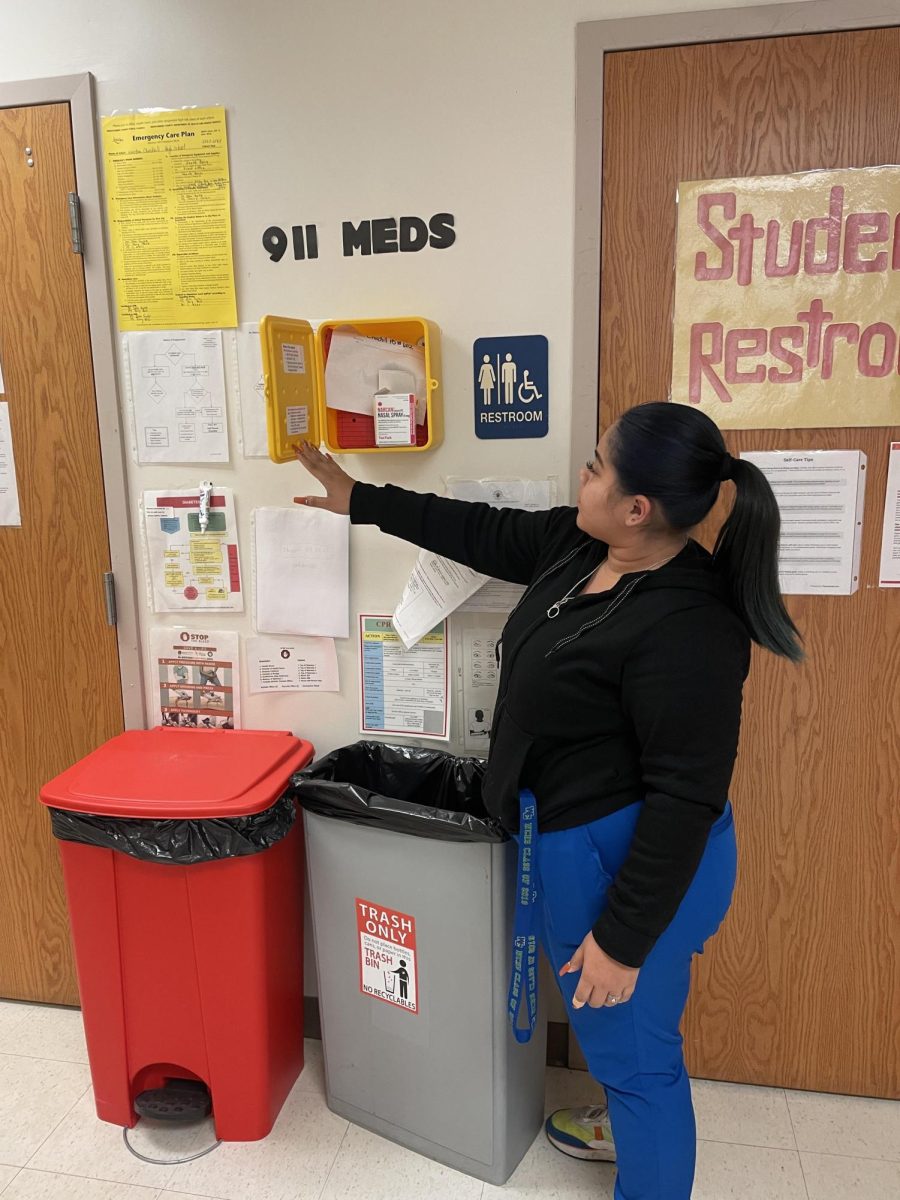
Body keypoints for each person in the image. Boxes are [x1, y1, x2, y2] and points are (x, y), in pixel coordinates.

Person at [293, 402, 803, 1200]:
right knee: (620, 1040)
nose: (583, 474)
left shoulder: (689, 627)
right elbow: (479, 532)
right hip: (577, 844)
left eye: (597, 467)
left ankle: (645, 1165)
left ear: (639, 509)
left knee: (638, 1062)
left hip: (634, 863)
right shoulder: (581, 545)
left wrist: (623, 941)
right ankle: (617, 1117)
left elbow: (685, 799)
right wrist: (358, 498)